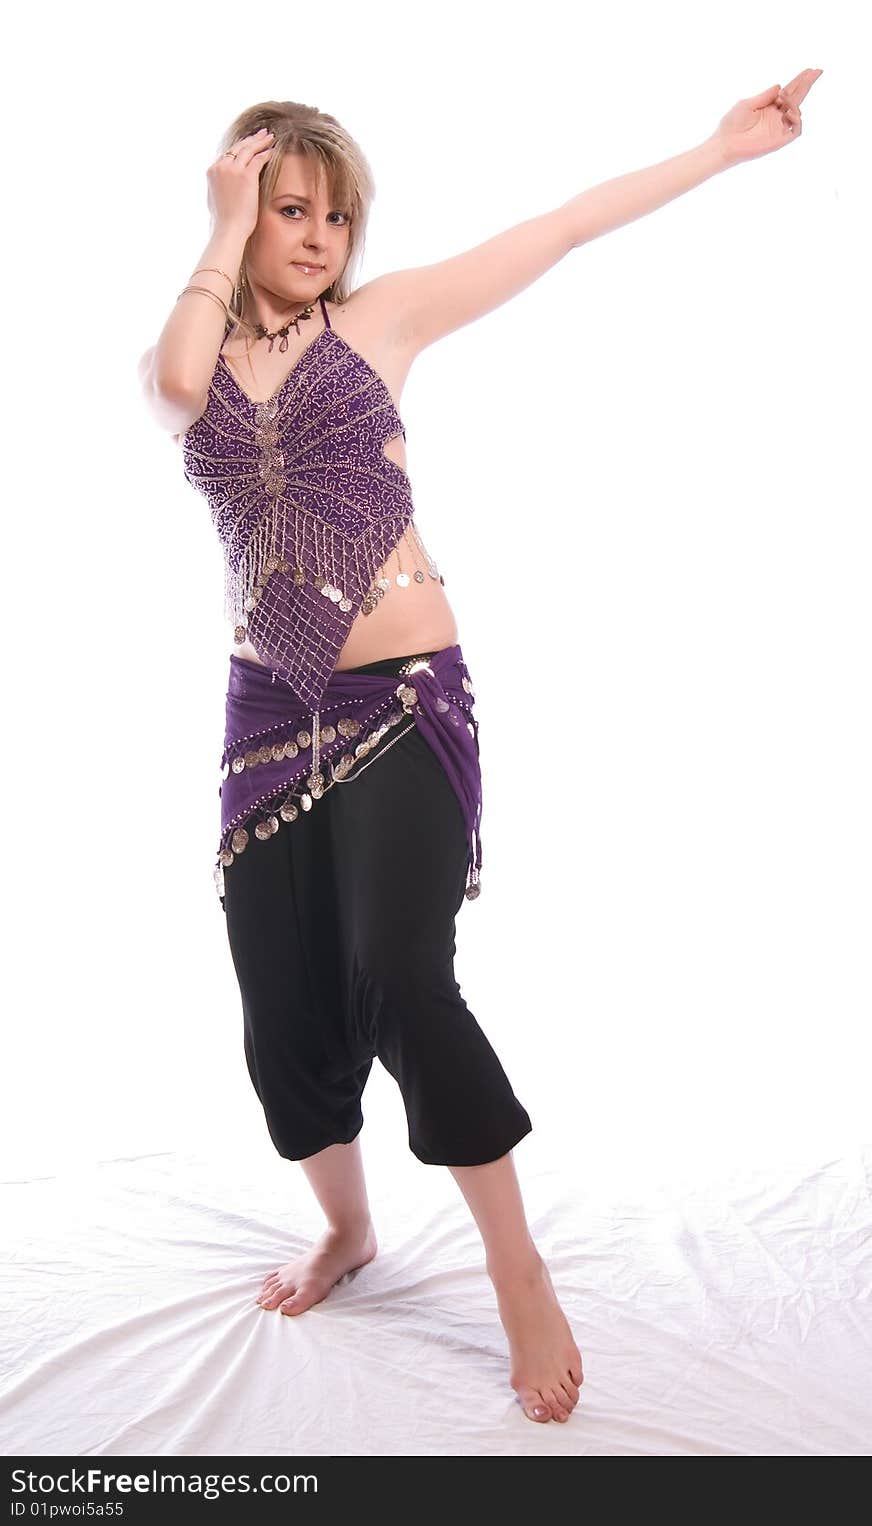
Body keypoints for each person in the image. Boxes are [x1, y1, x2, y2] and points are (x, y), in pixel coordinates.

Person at [138, 75, 820, 1426]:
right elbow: (171, 388)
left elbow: (559, 226)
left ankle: (516, 1266)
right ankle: (346, 1230)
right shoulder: (196, 358)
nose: (321, 234)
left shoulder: (380, 322)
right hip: (270, 716)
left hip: (400, 694)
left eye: (338, 212)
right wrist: (219, 221)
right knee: (286, 1011)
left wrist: (716, 151)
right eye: (291, 208)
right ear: (241, 209)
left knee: (401, 971)